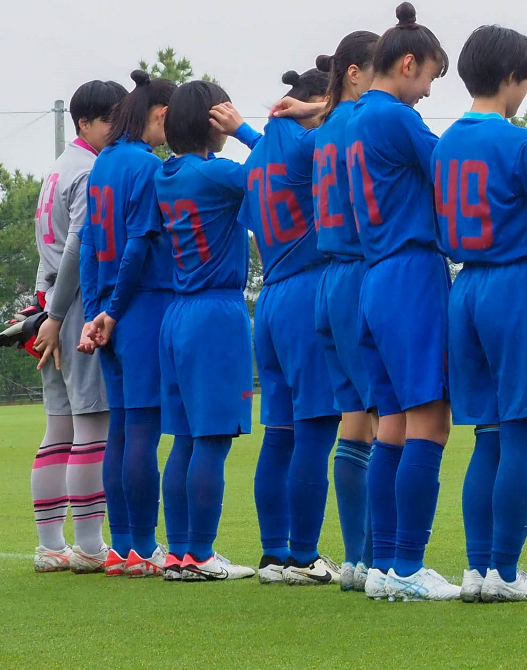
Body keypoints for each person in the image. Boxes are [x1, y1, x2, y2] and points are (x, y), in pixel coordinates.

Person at [433, 24, 527, 603]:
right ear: (511, 78)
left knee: (486, 436)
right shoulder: (520, 143)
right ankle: (506, 573)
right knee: (521, 437)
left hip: (466, 289)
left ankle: (478, 569)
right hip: (515, 284)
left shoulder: (444, 145)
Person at [345, 4, 461, 602]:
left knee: (390, 423)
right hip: (412, 272)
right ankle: (409, 565)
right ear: (408, 64)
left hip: (375, 276)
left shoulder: (356, 116)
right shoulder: (396, 117)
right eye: (431, 79)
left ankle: (386, 566)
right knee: (430, 421)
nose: (427, 93)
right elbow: (455, 168)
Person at [154, 80, 262, 582]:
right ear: (209, 121)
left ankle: (178, 553)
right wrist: (245, 133)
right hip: (215, 313)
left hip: (175, 313)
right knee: (213, 439)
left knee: (183, 438)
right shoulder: (216, 174)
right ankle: (200, 553)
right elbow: (276, 171)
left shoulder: (166, 175)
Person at [241, 68, 342, 586]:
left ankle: (274, 552)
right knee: (317, 433)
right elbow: (350, 131)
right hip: (307, 293)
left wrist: (243, 131)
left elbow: (273, 151)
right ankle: (304, 555)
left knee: (278, 435)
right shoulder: (310, 143)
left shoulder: (258, 155)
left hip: (271, 298)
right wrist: (319, 113)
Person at [76, 71, 175, 579]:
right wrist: (113, 310)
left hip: (110, 311)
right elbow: (138, 244)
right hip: (141, 307)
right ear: (159, 115)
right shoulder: (146, 166)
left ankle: (120, 547)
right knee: (142, 430)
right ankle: (142, 547)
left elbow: (92, 244)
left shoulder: (104, 163)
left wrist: (96, 312)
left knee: (121, 430)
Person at [30, 79, 127, 573]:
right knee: (91, 426)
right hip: (72, 309)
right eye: (112, 118)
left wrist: (44, 309)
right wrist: (59, 315)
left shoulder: (56, 169)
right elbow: (76, 248)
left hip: (51, 305)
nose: (119, 127)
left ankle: (51, 545)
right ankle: (90, 545)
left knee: (60, 428)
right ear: (86, 122)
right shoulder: (90, 171)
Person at [311, 31, 382, 591]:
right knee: (387, 417)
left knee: (353, 419)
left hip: (327, 276)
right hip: (363, 271)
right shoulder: (367, 121)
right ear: (356, 72)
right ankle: (381, 558)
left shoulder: (325, 129)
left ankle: (357, 556)